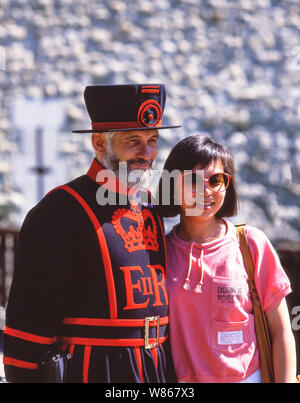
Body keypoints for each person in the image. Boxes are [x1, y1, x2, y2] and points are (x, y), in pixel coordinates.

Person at [3, 84, 180, 383]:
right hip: (96, 370)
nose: (146, 153)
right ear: (99, 142)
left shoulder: (150, 205)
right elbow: (29, 324)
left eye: (152, 140)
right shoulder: (59, 210)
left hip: (156, 370)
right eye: (133, 140)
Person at [157, 134, 297, 383]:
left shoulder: (251, 244)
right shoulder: (159, 253)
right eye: (193, 181)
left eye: (216, 180)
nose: (206, 191)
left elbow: (281, 330)